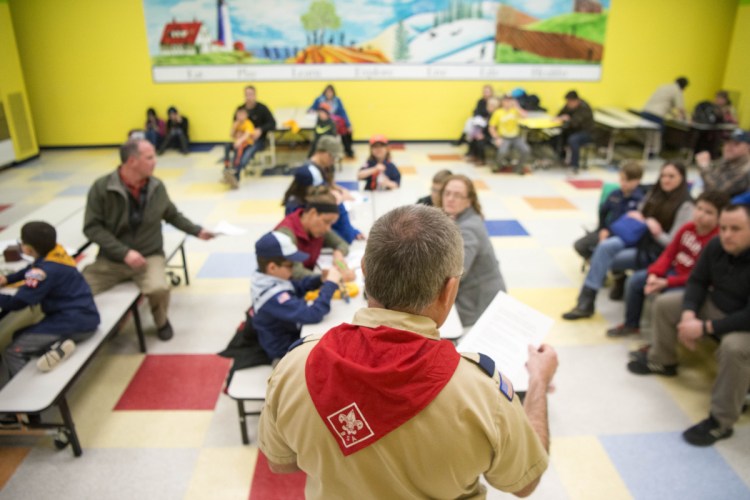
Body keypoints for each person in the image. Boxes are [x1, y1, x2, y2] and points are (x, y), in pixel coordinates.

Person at [258, 205, 558, 498]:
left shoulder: (294, 366)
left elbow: (281, 463)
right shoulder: (482, 394)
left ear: (365, 271)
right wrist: (538, 383)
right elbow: (524, 483)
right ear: (449, 289)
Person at [627, 203, 750, 447]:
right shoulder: (716, 245)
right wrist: (688, 315)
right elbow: (697, 281)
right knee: (666, 304)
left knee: (734, 348)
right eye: (723, 227)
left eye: (735, 229)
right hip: (717, 305)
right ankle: (664, 360)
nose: (726, 234)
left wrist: (704, 328)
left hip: (744, 322)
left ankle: (720, 421)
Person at [82, 139, 215, 341]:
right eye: (150, 157)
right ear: (132, 161)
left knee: (158, 288)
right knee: (78, 288)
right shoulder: (102, 187)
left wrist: (197, 231)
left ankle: (161, 321)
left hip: (149, 255)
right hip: (112, 259)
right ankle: (91, 324)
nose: (155, 161)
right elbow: (92, 228)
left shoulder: (156, 186)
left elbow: (171, 214)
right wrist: (123, 252)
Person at [563, 161, 694, 320]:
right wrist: (639, 217)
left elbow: (675, 244)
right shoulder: (654, 193)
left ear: (682, 178)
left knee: (606, 258)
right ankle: (585, 302)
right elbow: (638, 214)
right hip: (637, 238)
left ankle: (616, 281)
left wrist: (657, 232)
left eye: (671, 176)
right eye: (663, 176)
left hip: (656, 251)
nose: (666, 180)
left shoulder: (686, 205)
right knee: (604, 247)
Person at [606, 191, 728, 337]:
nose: (701, 214)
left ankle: (657, 344)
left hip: (690, 283)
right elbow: (669, 254)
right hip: (673, 272)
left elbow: (700, 277)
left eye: (709, 212)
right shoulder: (688, 228)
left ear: (720, 218)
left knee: (663, 302)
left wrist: (666, 282)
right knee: (635, 281)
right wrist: (654, 274)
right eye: (699, 208)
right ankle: (631, 324)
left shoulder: (716, 241)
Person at [0, 222, 100, 382]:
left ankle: (23, 395)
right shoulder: (57, 254)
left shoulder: (43, 272)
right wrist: (7, 279)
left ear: (27, 249)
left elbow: (18, 303)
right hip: (86, 315)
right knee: (18, 334)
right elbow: (30, 270)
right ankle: (57, 348)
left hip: (73, 323)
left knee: (13, 350)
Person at [251, 231, 341, 363]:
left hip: (290, 331)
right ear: (272, 267)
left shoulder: (266, 277)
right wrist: (330, 285)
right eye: (290, 265)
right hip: (284, 353)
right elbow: (313, 315)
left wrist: (320, 279)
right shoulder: (272, 296)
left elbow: (295, 286)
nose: (293, 269)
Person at [439, 175, 507, 327]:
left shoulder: (468, 228)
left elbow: (457, 272)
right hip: (481, 290)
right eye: (447, 193)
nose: (450, 198)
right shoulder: (461, 217)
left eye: (457, 195)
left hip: (478, 299)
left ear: (469, 200)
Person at [283, 137, 364, 244]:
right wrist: (338, 197)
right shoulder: (312, 175)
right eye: (332, 157)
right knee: (345, 236)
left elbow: (330, 186)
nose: (333, 161)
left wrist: (341, 191)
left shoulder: (321, 169)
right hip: (315, 223)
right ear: (324, 153)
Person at [275, 187, 354, 282]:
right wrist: (333, 279)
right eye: (326, 222)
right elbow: (295, 272)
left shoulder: (317, 228)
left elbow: (341, 243)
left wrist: (338, 254)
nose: (328, 228)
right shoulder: (286, 234)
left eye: (331, 224)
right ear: (313, 213)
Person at [574, 161, 646, 261]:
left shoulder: (641, 200)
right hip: (606, 230)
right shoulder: (615, 194)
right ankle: (594, 261)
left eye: (628, 180)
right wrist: (602, 228)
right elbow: (603, 212)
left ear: (637, 181)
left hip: (623, 237)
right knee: (580, 245)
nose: (624, 183)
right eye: (622, 179)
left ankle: (612, 268)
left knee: (611, 253)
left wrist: (609, 233)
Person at [695, 128, 750, 198]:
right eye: (727, 142)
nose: (728, 147)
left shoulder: (746, 169)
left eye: (736, 144)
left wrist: (704, 167)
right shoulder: (726, 162)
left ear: (748, 147)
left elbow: (717, 193)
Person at [488, 94, 531, 174]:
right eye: (506, 101)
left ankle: (519, 168)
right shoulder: (498, 112)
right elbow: (491, 127)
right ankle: (497, 166)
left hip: (515, 137)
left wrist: (517, 106)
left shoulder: (515, 110)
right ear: (502, 102)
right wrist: (497, 138)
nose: (508, 103)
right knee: (502, 152)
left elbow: (525, 116)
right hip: (503, 137)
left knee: (525, 150)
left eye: (510, 101)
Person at [554, 90, 595, 173]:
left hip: (586, 132)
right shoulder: (568, 105)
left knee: (573, 140)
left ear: (576, 100)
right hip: (573, 130)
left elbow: (575, 123)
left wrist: (567, 119)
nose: (568, 104)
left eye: (570, 102)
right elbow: (560, 115)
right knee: (556, 137)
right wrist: (560, 117)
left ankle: (575, 165)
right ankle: (562, 158)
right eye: (567, 102)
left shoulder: (584, 108)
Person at [309, 84, 354, 158]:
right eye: (327, 92)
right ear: (324, 92)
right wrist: (319, 113)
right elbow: (311, 109)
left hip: (335, 122)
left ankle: (348, 150)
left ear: (333, 93)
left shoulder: (337, 100)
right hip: (323, 123)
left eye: (331, 92)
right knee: (317, 139)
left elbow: (343, 112)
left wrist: (348, 124)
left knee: (346, 130)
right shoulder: (319, 100)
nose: (329, 94)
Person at [235, 85, 277, 165]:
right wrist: (237, 133)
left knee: (248, 152)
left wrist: (260, 129)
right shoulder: (240, 109)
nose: (248, 97)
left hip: (258, 140)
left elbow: (272, 123)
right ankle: (231, 169)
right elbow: (234, 126)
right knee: (233, 148)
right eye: (246, 94)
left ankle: (237, 171)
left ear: (255, 95)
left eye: (250, 94)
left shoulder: (262, 108)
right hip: (242, 139)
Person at [221, 107, 255, 189]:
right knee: (227, 145)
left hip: (246, 143)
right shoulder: (236, 123)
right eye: (238, 115)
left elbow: (247, 135)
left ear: (246, 115)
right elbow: (231, 135)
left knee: (238, 149)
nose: (240, 117)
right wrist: (234, 127)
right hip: (237, 143)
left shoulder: (248, 123)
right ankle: (227, 165)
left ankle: (235, 168)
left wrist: (239, 141)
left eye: (242, 114)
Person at [466, 95, 499, 166]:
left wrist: (483, 135)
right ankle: (474, 155)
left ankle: (482, 160)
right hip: (486, 134)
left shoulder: (496, 115)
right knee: (474, 137)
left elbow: (493, 129)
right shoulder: (488, 114)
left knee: (480, 141)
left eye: (492, 105)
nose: (489, 107)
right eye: (488, 105)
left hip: (493, 136)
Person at [458, 84, 494, 148]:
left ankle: (467, 140)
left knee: (475, 124)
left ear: (491, 92)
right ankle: (465, 139)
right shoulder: (480, 101)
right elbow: (476, 111)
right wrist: (478, 115)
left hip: (488, 119)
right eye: (484, 92)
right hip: (480, 119)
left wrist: (483, 115)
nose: (486, 93)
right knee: (469, 121)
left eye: (487, 92)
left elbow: (491, 112)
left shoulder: (493, 101)